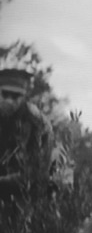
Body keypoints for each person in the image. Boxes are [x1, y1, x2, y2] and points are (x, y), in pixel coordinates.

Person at [0, 68, 53, 209]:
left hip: (20, 201)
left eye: (16, 96)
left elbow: (33, 176)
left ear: (24, 96)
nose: (9, 100)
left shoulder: (38, 124)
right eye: (5, 94)